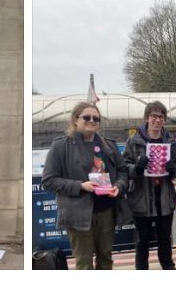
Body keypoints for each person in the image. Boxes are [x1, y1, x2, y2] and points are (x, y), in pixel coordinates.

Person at [40, 101, 130, 270]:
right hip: (79, 215)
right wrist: (81, 186)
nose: (92, 121)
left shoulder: (108, 145)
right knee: (84, 264)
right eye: (86, 117)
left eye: (96, 118)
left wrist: (118, 186)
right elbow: (49, 180)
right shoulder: (61, 146)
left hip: (106, 212)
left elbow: (123, 171)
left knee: (106, 260)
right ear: (75, 120)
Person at [123, 100, 176, 270]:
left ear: (164, 120)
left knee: (165, 241)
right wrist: (137, 168)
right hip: (141, 199)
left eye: (161, 117)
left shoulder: (171, 141)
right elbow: (124, 168)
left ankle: (168, 268)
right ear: (146, 118)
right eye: (153, 116)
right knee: (142, 242)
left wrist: (173, 169)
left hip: (164, 198)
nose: (157, 120)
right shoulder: (133, 142)